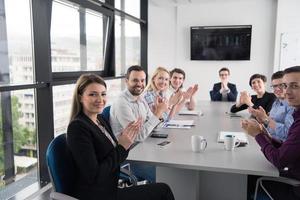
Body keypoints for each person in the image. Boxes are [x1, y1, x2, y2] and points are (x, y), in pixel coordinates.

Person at [67, 73, 175, 200]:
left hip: (110, 187)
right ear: (80, 97)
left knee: (162, 189)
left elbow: (114, 154)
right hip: (98, 194)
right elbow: (95, 175)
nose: (100, 99)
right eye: (92, 94)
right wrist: (122, 146)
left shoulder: (99, 119)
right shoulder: (78, 127)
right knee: (163, 190)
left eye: (103, 94)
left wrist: (126, 142)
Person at [241, 66, 300, 200]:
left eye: (295, 86)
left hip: (293, 187)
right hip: (290, 170)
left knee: (240, 180)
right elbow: (289, 146)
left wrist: (258, 135)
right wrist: (265, 134)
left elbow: (280, 160)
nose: (287, 91)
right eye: (286, 85)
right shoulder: (280, 104)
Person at [110, 65, 168, 142]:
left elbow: (156, 128)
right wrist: (158, 113)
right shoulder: (121, 102)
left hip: (141, 144)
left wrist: (158, 114)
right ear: (126, 81)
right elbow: (138, 137)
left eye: (142, 80)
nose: (139, 84)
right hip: (129, 149)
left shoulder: (141, 99)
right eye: (135, 80)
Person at [249, 71, 294, 141]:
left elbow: (287, 133)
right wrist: (261, 120)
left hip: (279, 146)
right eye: (275, 86)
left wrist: (265, 118)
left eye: (281, 85)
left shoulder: (293, 106)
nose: (278, 89)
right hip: (269, 139)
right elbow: (269, 126)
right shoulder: (276, 102)